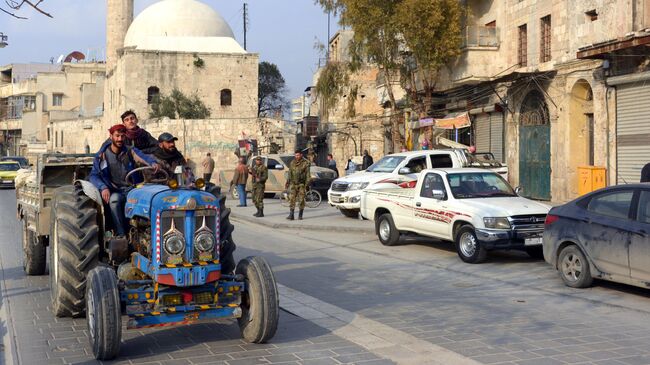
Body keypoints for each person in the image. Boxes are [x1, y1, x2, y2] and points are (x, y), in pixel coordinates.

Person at [90, 124, 159, 237]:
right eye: (117, 136)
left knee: (149, 200)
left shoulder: (129, 151)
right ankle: (120, 234)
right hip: (115, 190)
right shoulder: (102, 156)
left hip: (132, 189)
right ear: (111, 136)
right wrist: (103, 187)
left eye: (122, 136)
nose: (120, 139)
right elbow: (94, 175)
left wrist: (152, 163)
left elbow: (142, 156)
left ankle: (147, 234)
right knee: (114, 201)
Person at [285, 149, 311, 220]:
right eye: (295, 155)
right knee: (291, 199)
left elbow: (308, 175)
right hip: (293, 184)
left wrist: (307, 185)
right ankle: (291, 215)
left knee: (301, 200)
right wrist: (287, 182)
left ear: (301, 155)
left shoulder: (305, 163)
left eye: (298, 155)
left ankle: (300, 215)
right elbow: (290, 173)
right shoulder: (292, 162)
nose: (296, 156)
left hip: (301, 184)